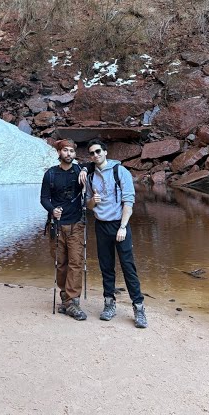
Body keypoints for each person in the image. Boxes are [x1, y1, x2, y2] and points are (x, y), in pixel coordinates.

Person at [84, 139, 147, 328]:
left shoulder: (120, 171)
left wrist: (123, 226)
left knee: (128, 267)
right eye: (92, 153)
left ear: (105, 152)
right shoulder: (90, 176)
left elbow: (129, 201)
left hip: (120, 225)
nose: (95, 155)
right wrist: (93, 201)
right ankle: (109, 304)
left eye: (98, 151)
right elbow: (88, 205)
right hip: (101, 225)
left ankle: (138, 307)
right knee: (106, 267)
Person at [40, 139, 88, 320]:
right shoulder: (50, 174)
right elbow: (44, 198)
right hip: (57, 225)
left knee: (76, 262)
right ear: (59, 153)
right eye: (65, 151)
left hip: (76, 224)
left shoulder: (79, 171)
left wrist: (84, 169)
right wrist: (52, 210)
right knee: (61, 263)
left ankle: (72, 301)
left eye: (72, 151)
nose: (69, 154)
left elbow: (93, 164)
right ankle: (65, 296)